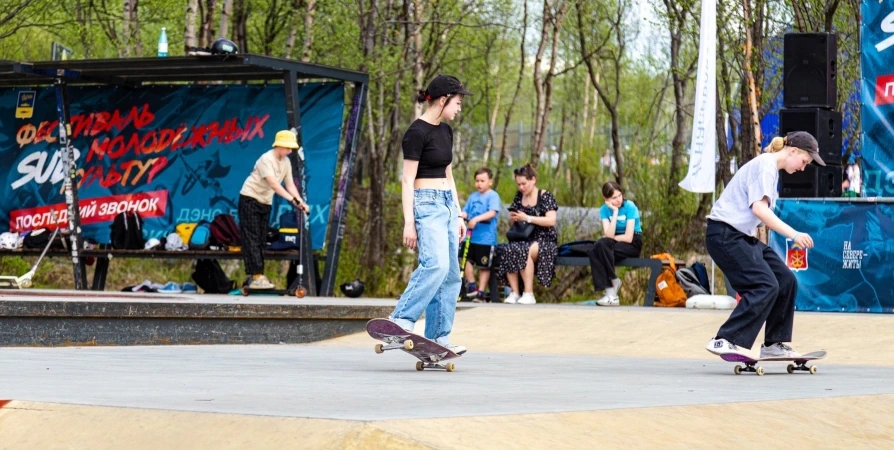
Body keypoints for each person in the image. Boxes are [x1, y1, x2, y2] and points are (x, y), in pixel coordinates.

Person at [705, 131, 823, 358]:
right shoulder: (765, 166)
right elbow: (759, 210)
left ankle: (774, 344)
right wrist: (794, 234)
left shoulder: (770, 170)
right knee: (765, 285)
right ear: (793, 151)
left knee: (785, 280)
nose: (803, 168)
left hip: (741, 237)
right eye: (804, 162)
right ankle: (724, 339)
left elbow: (758, 219)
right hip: (724, 234)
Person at [390, 75, 472, 355]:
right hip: (425, 204)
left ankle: (438, 336)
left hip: (448, 204)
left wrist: (459, 214)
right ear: (442, 100)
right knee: (435, 265)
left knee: (451, 275)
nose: (459, 108)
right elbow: (406, 180)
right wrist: (409, 222)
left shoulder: (445, 131)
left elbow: (449, 174)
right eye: (457, 102)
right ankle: (400, 319)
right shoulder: (416, 132)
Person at [238, 130, 310, 289]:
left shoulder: (286, 162)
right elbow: (274, 185)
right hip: (250, 199)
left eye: (292, 148)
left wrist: (300, 201)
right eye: (288, 148)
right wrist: (292, 200)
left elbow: (289, 185)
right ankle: (256, 275)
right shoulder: (266, 159)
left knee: (262, 238)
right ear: (279, 145)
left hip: (265, 202)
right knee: (252, 237)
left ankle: (256, 275)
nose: (290, 151)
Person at [498, 163, 559, 305]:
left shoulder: (545, 196)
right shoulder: (519, 197)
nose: (521, 187)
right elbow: (512, 222)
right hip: (523, 236)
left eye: (524, 184)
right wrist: (514, 219)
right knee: (510, 249)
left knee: (526, 250)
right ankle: (514, 292)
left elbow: (551, 220)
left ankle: (529, 293)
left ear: (533, 180)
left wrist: (528, 218)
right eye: (518, 184)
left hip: (544, 238)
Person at [588, 181, 643, 306]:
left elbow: (629, 237)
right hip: (614, 243)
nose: (618, 200)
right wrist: (615, 212)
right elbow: (609, 235)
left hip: (633, 243)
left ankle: (611, 291)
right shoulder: (604, 210)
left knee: (597, 249)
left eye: (619, 195)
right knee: (598, 248)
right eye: (614, 198)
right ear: (606, 199)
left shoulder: (630, 206)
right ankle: (612, 290)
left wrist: (611, 238)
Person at [459, 167, 502, 300]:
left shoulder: (493, 196)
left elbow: (492, 212)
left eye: (482, 180)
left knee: (484, 266)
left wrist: (476, 219)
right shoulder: (473, 197)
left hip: (486, 239)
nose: (479, 183)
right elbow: (466, 211)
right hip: (470, 237)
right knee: (465, 260)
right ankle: (472, 285)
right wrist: (460, 216)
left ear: (489, 181)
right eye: (477, 181)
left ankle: (481, 292)